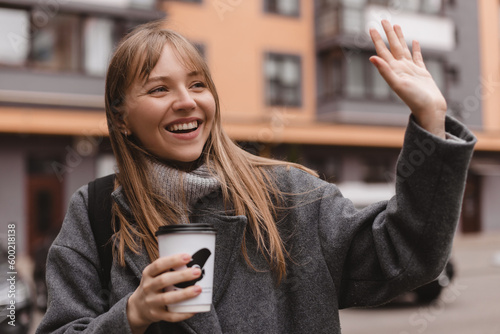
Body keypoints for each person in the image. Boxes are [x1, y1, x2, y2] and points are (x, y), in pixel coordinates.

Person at [36, 19, 476, 334]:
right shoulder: (95, 211)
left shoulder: (287, 194)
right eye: (158, 89)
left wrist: (430, 121)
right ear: (122, 118)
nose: (186, 101)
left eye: (197, 84)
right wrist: (131, 315)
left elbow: (405, 256)